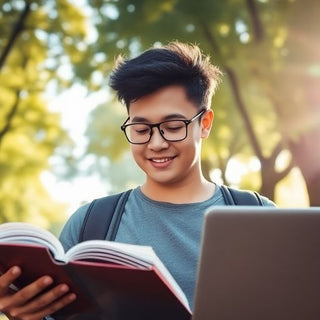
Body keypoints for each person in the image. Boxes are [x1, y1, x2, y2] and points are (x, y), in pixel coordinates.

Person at [0, 41, 275, 320]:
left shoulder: (260, 218)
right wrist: (21, 314)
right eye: (141, 129)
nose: (156, 143)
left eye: (172, 127)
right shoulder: (90, 224)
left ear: (204, 124)